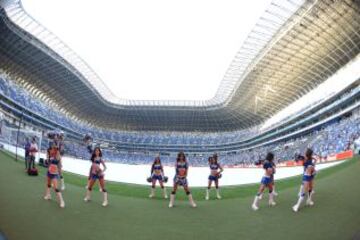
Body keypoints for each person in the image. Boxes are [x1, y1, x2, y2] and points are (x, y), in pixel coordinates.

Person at [293, 148, 316, 212]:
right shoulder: (305, 159)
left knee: (310, 189)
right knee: (304, 192)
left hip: (310, 176)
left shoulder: (309, 159)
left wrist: (314, 170)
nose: (304, 153)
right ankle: (297, 206)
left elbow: (312, 167)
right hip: (307, 176)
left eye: (305, 152)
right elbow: (298, 159)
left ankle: (309, 200)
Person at [43, 143, 65, 208]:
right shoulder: (49, 154)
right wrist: (47, 160)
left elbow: (59, 163)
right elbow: (47, 163)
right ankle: (48, 195)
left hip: (55, 173)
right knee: (48, 184)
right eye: (52, 148)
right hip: (49, 171)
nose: (52, 149)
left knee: (56, 188)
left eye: (54, 148)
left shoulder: (57, 154)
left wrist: (56, 152)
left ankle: (62, 201)